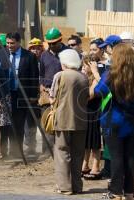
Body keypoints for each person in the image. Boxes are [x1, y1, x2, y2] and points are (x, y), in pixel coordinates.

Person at [94, 43, 134, 200]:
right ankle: (129, 192)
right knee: (130, 157)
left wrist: (95, 73)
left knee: (116, 157)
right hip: (132, 122)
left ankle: (115, 192)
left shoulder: (111, 74)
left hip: (114, 121)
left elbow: (99, 91)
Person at [50, 49, 89, 195]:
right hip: (81, 120)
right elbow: (86, 98)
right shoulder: (84, 77)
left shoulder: (60, 75)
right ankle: (77, 186)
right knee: (78, 154)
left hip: (63, 120)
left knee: (62, 153)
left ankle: (65, 187)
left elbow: (52, 98)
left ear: (64, 62)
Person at [2, 32, 39, 158]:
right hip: (6, 94)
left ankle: (16, 151)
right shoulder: (3, 54)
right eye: (7, 43)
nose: (9, 46)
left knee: (18, 124)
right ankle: (4, 150)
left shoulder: (29, 56)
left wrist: (34, 95)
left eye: (12, 43)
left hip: (21, 94)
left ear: (19, 42)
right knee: (6, 123)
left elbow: (34, 77)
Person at [81, 55, 102, 180]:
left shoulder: (96, 78)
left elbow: (90, 95)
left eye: (85, 66)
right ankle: (85, 165)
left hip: (94, 112)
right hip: (86, 112)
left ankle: (96, 167)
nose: (83, 68)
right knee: (86, 141)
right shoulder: (87, 78)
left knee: (94, 141)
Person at [24, 37, 43, 155]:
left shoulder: (45, 61)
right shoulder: (26, 61)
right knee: (29, 122)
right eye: (32, 49)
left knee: (44, 121)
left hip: (44, 95)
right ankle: (30, 145)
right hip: (31, 95)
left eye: (38, 48)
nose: (35, 51)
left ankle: (47, 147)